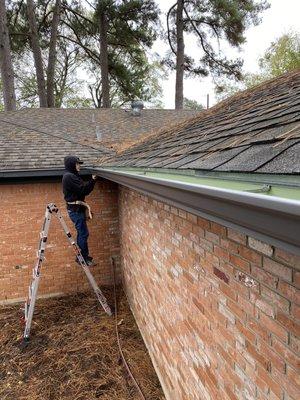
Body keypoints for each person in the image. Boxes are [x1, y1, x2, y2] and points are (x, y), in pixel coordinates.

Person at [62, 155, 97, 267]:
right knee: (83, 233)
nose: (79, 166)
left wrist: (92, 181)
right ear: (72, 165)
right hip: (75, 211)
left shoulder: (73, 176)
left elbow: (83, 189)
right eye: (77, 164)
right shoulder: (69, 177)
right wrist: (93, 180)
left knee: (82, 233)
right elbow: (84, 190)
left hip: (77, 209)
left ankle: (82, 256)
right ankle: (82, 257)